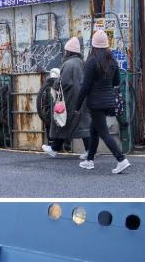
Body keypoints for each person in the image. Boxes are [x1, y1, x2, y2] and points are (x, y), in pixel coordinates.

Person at [77, 29, 130, 174]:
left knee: (103, 132)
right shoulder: (111, 60)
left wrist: (77, 105)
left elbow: (85, 86)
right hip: (108, 102)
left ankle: (121, 159)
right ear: (106, 44)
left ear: (93, 45)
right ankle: (89, 160)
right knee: (94, 130)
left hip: (96, 103)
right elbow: (117, 81)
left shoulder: (92, 60)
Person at [42, 36, 91, 159]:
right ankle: (89, 151)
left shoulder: (68, 64)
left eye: (66, 50)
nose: (65, 52)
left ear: (69, 51)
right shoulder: (81, 63)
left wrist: (54, 82)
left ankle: (54, 149)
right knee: (83, 125)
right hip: (82, 99)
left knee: (62, 122)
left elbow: (64, 82)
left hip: (70, 100)